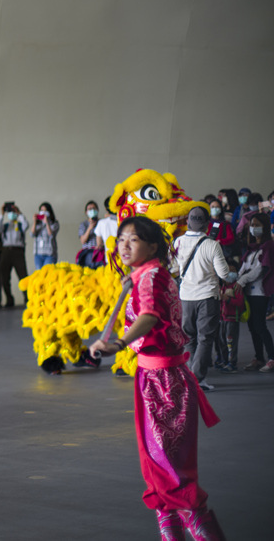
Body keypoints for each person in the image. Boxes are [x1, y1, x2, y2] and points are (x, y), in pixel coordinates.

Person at [90, 216, 224, 540]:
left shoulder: (150, 276)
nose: (123, 245)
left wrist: (117, 344)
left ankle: (196, 523)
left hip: (163, 382)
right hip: (158, 376)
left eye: (132, 239)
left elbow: (150, 315)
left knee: (167, 464)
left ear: (152, 246)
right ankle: (172, 527)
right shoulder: (146, 275)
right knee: (159, 461)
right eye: (121, 239)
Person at [172, 207, 237, 391]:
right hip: (207, 297)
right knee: (205, 338)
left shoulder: (178, 242)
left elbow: (173, 268)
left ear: (188, 222)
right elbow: (224, 273)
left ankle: (189, 376)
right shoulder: (212, 244)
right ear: (207, 224)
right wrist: (234, 277)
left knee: (189, 338)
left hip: (185, 297)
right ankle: (198, 378)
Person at [233, 211, 274, 372]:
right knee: (252, 326)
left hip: (260, 292)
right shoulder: (251, 248)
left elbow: (261, 270)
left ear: (264, 227)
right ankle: (258, 357)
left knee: (260, 325)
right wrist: (235, 278)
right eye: (252, 225)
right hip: (248, 292)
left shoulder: (268, 246)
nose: (253, 228)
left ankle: (271, 357)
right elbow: (244, 268)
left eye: (257, 225)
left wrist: (242, 280)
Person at [0, 202, 28, 308]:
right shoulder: (5, 225)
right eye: (10, 212)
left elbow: (26, 225)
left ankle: (27, 298)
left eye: (12, 212)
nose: (11, 214)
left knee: (22, 276)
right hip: (6, 251)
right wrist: (2, 214)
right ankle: (9, 299)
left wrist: (19, 213)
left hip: (18, 251)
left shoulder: (20, 224)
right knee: (4, 277)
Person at [31, 202, 59, 269]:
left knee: (47, 272)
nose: (43, 212)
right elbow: (32, 234)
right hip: (38, 253)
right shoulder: (38, 223)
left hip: (50, 254)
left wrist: (46, 222)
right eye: (41, 210)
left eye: (45, 210)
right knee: (40, 274)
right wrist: (35, 222)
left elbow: (51, 234)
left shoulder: (54, 223)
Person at [76, 200, 103, 268]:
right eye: (90, 209)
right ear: (86, 212)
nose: (92, 210)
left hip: (99, 251)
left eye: (94, 208)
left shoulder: (102, 222)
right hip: (87, 252)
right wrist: (89, 228)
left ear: (97, 210)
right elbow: (83, 240)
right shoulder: (83, 224)